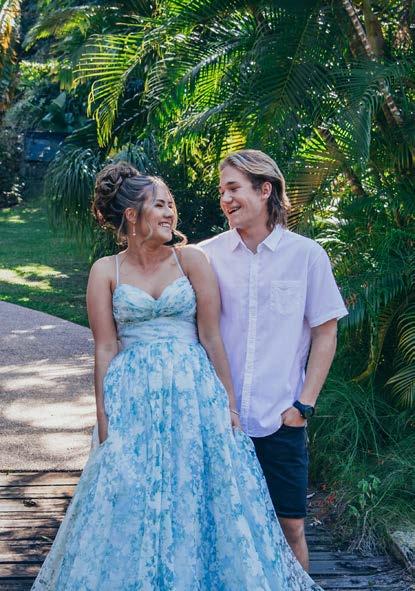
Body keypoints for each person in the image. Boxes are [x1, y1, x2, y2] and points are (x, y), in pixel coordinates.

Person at [31, 161, 322, 590]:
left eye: (171, 205)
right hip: (133, 399)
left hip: (193, 396)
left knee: (194, 497)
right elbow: (105, 348)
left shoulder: (191, 261)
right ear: (132, 215)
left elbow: (211, 337)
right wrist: (104, 419)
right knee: (134, 499)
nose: (171, 213)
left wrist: (228, 404)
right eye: (160, 205)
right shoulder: (105, 271)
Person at [199, 149, 348, 571]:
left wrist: (303, 405)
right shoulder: (206, 256)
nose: (225, 199)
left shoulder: (307, 256)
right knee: (219, 528)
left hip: (280, 418)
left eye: (233, 188)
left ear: (265, 190)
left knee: (291, 528)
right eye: (221, 191)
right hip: (220, 421)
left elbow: (325, 332)